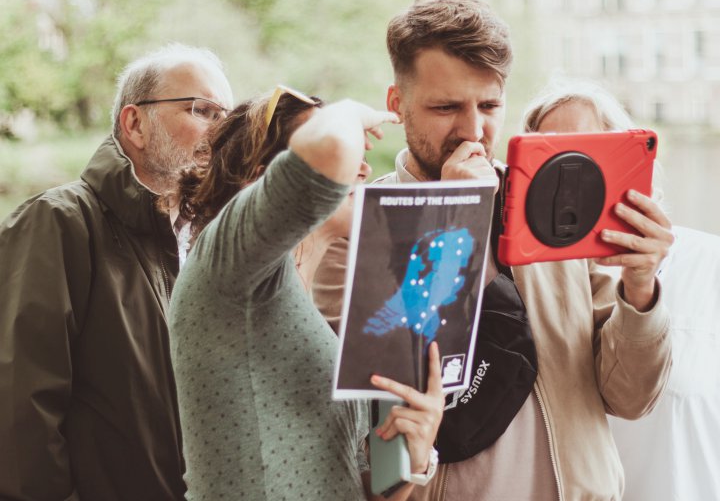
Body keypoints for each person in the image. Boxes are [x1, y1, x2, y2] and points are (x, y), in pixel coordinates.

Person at [320, 0, 673, 500]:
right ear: (397, 104)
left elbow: (631, 397)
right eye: (446, 107)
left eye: (488, 106)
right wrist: (451, 215)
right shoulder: (351, 232)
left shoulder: (551, 208)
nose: (473, 130)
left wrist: (640, 292)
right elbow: (363, 435)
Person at [168, 87, 445, 500]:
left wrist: (412, 460)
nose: (364, 169)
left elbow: (355, 486)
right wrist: (346, 111)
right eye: (351, 161)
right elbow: (332, 145)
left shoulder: (313, 314)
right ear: (264, 181)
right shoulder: (229, 268)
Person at [0, 43, 234, 501]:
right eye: (202, 110)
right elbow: (20, 410)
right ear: (134, 124)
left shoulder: (206, 239)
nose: (221, 130)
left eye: (226, 115)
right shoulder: (58, 221)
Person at [523, 77, 720, 501]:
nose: (572, 180)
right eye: (554, 159)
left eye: (590, 155)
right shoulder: (524, 288)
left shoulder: (717, 268)